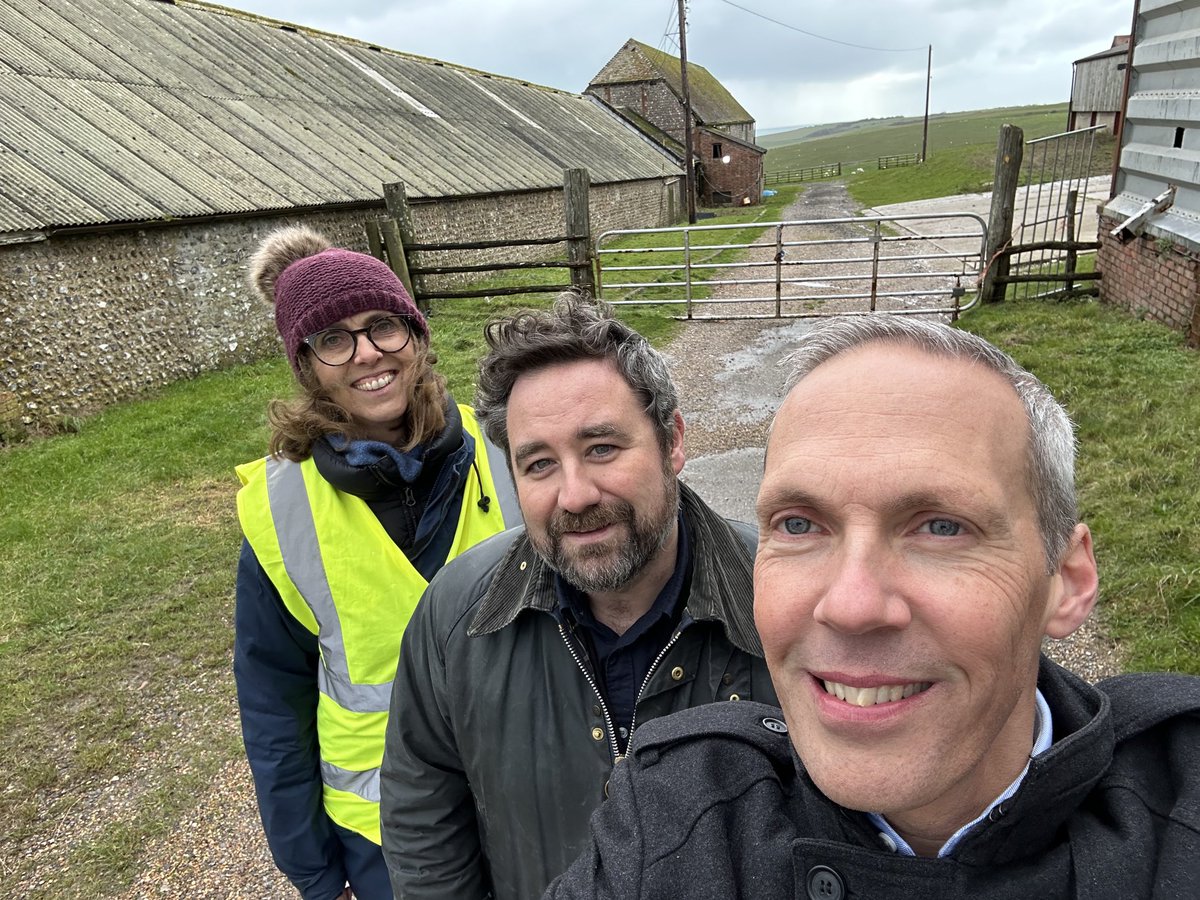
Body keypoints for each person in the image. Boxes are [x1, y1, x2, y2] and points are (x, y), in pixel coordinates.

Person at [545, 314, 1200, 899]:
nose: (851, 606)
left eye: (941, 527)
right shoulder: (672, 815)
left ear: (1066, 580)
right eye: (800, 525)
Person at [378, 293, 777, 900]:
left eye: (601, 449)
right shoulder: (458, 613)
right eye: (538, 464)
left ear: (671, 441)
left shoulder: (781, 600)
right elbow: (423, 801)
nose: (575, 495)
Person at [233, 225, 518, 900]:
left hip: (527, 794)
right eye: (334, 339)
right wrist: (311, 866)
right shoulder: (282, 511)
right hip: (383, 834)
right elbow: (273, 701)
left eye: (383, 326)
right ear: (306, 366)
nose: (367, 354)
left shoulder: (507, 452)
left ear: (416, 336)